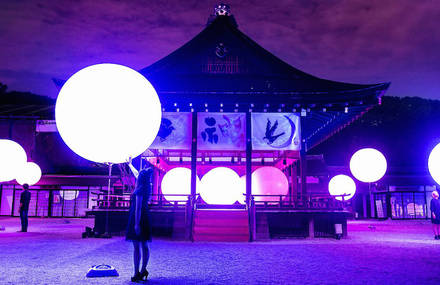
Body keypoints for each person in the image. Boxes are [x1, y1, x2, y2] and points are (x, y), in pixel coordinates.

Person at [126, 159, 153, 282]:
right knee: (144, 244)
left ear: (140, 179)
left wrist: (136, 224)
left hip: (138, 218)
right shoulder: (147, 186)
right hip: (145, 217)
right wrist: (130, 165)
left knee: (137, 246)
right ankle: (143, 270)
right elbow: (137, 174)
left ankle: (136, 272)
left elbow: (137, 209)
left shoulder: (139, 190)